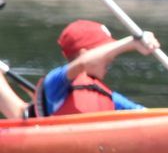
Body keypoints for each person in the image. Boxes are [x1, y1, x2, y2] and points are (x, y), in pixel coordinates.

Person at [10, 20, 159, 118]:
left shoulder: (106, 95)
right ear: (84, 53)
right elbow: (83, 63)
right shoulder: (55, 82)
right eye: (108, 51)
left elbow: (146, 115)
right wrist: (131, 43)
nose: (112, 57)